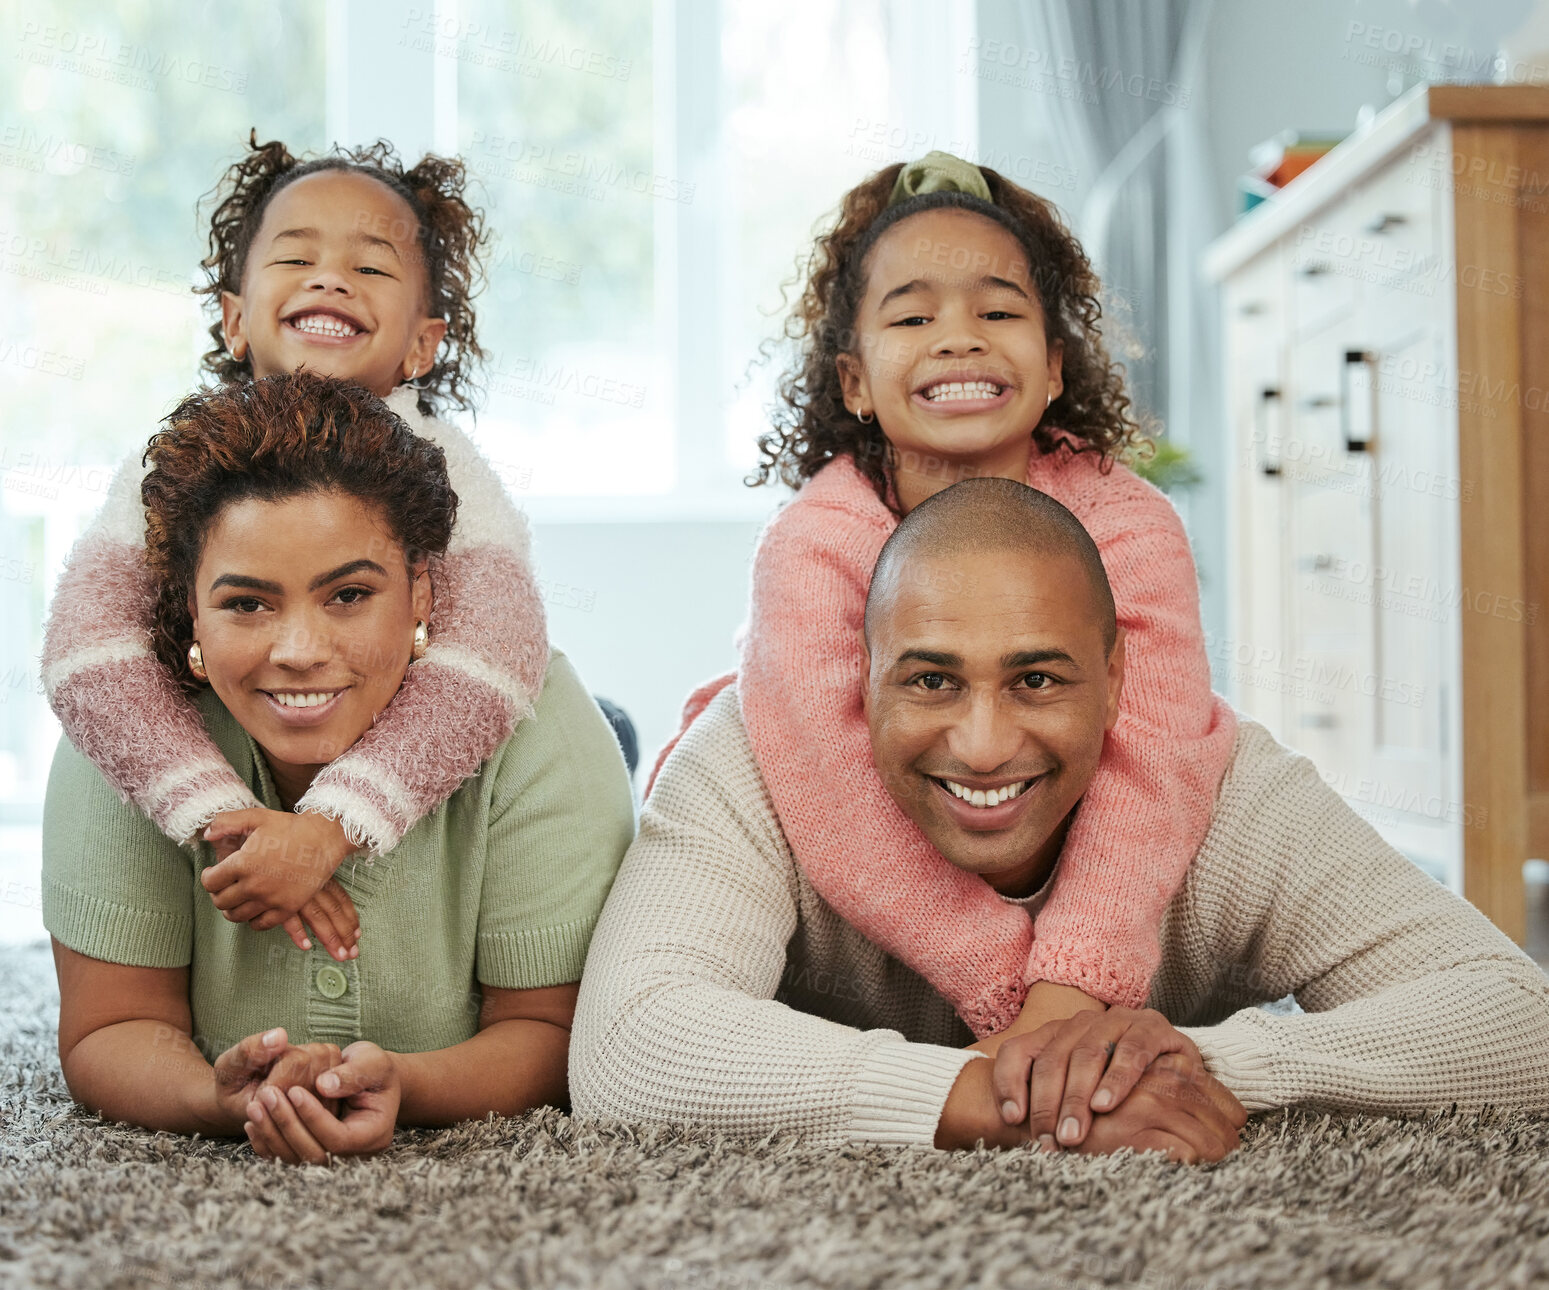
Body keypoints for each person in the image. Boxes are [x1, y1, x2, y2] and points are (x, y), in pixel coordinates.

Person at [572, 477, 1549, 1158]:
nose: (985, 743)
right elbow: (628, 1047)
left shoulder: (1223, 787)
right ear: (858, 682)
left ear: (1119, 677)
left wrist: (1191, 1063)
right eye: (929, 680)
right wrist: (989, 1097)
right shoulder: (756, 755)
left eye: (1036, 678)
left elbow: (1515, 1022)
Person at [648, 152, 1234, 1042]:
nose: (958, 338)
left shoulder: (1129, 524)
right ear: (854, 383)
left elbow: (1151, 756)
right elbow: (834, 791)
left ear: (1052, 367)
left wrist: (1075, 980)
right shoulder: (815, 543)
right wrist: (1011, 996)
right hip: (827, 865)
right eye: (913, 315)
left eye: (997, 311)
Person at [42, 374, 635, 1165]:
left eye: (349, 594)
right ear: (190, 609)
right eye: (247, 604)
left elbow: (552, 1031)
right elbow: (108, 1028)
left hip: (569, 757)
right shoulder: (124, 735)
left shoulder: (538, 726)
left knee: (612, 756)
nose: (298, 650)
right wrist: (218, 1099)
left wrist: (405, 1084)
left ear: (421, 592)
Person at [41, 135, 547, 963]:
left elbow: (499, 651)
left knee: (563, 718)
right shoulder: (178, 469)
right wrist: (220, 818)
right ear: (236, 320)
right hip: (258, 736)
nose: (331, 278)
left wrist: (331, 825)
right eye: (295, 257)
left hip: (404, 746)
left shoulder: (458, 475)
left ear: (422, 344)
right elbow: (84, 650)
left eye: (372, 268)